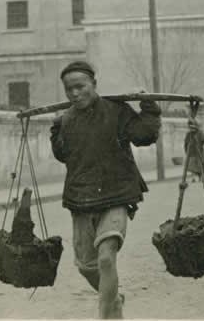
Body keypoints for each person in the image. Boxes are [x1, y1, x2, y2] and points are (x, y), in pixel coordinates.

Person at [50, 61, 161, 319]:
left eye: (80, 87)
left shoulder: (116, 111)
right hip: (80, 199)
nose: (75, 94)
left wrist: (149, 107)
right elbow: (63, 155)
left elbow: (144, 135)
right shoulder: (66, 119)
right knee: (87, 267)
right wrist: (56, 132)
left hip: (116, 195)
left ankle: (108, 317)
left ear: (94, 85)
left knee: (106, 259)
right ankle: (114, 300)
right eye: (69, 90)